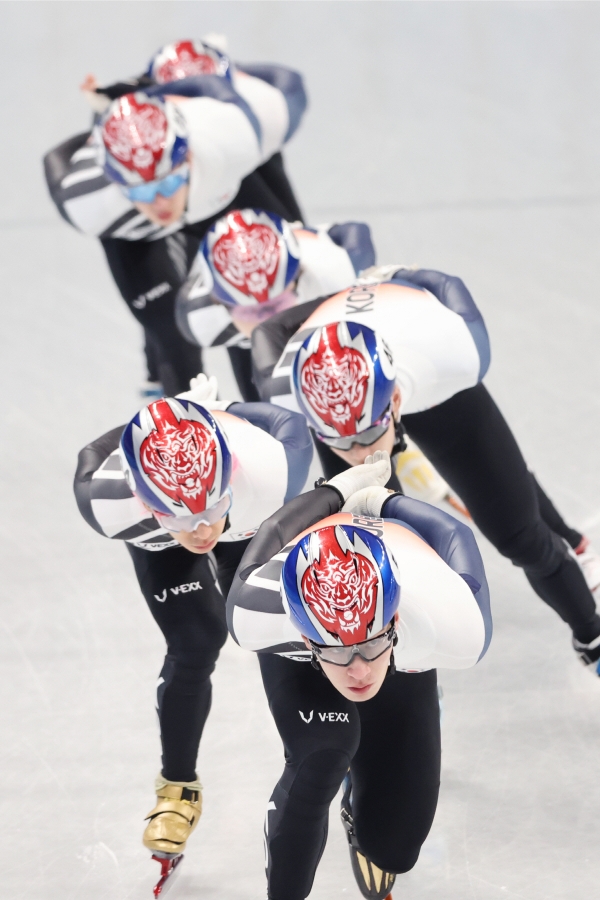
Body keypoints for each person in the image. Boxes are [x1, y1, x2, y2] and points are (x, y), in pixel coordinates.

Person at [249, 266, 600, 673]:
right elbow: (265, 333)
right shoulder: (285, 390)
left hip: (431, 387)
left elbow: (451, 284)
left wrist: (405, 274)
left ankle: (591, 635)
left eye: (367, 434)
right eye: (339, 440)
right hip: (350, 350)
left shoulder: (451, 355)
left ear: (395, 400)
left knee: (521, 537)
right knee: (368, 543)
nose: (357, 451)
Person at [73, 374, 313, 894]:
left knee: (285, 621)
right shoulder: (109, 502)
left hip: (245, 513)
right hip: (163, 541)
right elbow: (94, 449)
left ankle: (329, 743)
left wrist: (224, 410)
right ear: (142, 496)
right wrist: (166, 415)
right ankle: (177, 787)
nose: (202, 529)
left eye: (208, 508)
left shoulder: (271, 468)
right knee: (197, 641)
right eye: (183, 516)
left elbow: (291, 426)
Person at [226, 452, 492, 900]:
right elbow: (272, 534)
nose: (359, 671)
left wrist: (380, 502)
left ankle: (363, 807)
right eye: (337, 651)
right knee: (322, 753)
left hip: (405, 630)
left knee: (395, 847)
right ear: (308, 641)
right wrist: (333, 493)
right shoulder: (258, 614)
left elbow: (456, 534)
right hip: (325, 636)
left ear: (391, 622)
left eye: (368, 647)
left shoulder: (449, 621)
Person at [44, 39, 307, 398]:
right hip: (138, 229)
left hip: (217, 184)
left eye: (166, 181)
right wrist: (110, 114)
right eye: (140, 189)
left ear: (185, 158)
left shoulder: (241, 133)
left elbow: (289, 82)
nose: (159, 202)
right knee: (170, 331)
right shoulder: (89, 203)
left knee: (252, 292)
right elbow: (56, 158)